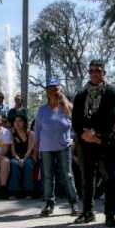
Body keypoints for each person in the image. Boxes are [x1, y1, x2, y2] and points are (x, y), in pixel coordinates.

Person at [72, 60, 115, 227]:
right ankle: (87, 212)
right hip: (85, 143)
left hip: (105, 142)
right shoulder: (81, 94)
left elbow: (111, 119)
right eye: (91, 70)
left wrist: (95, 134)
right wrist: (84, 134)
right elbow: (76, 119)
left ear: (104, 73)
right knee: (87, 179)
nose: (94, 73)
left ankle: (110, 214)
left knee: (108, 179)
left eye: (98, 70)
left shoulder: (111, 93)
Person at [35, 78, 78, 217]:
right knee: (47, 177)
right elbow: (37, 130)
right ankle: (49, 203)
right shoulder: (42, 110)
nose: (54, 91)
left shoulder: (67, 107)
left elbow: (76, 126)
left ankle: (73, 202)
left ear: (60, 90)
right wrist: (36, 148)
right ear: (47, 92)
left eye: (56, 88)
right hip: (46, 148)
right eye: (51, 89)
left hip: (64, 147)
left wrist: (73, 139)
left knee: (68, 175)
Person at [7, 114, 35, 199]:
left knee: (28, 165)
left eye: (20, 121)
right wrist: (19, 159)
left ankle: (28, 192)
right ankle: (13, 192)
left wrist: (24, 159)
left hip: (27, 156)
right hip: (16, 157)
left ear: (24, 123)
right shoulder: (12, 133)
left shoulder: (30, 133)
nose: (17, 123)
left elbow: (30, 149)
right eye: (16, 121)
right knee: (14, 164)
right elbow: (13, 151)